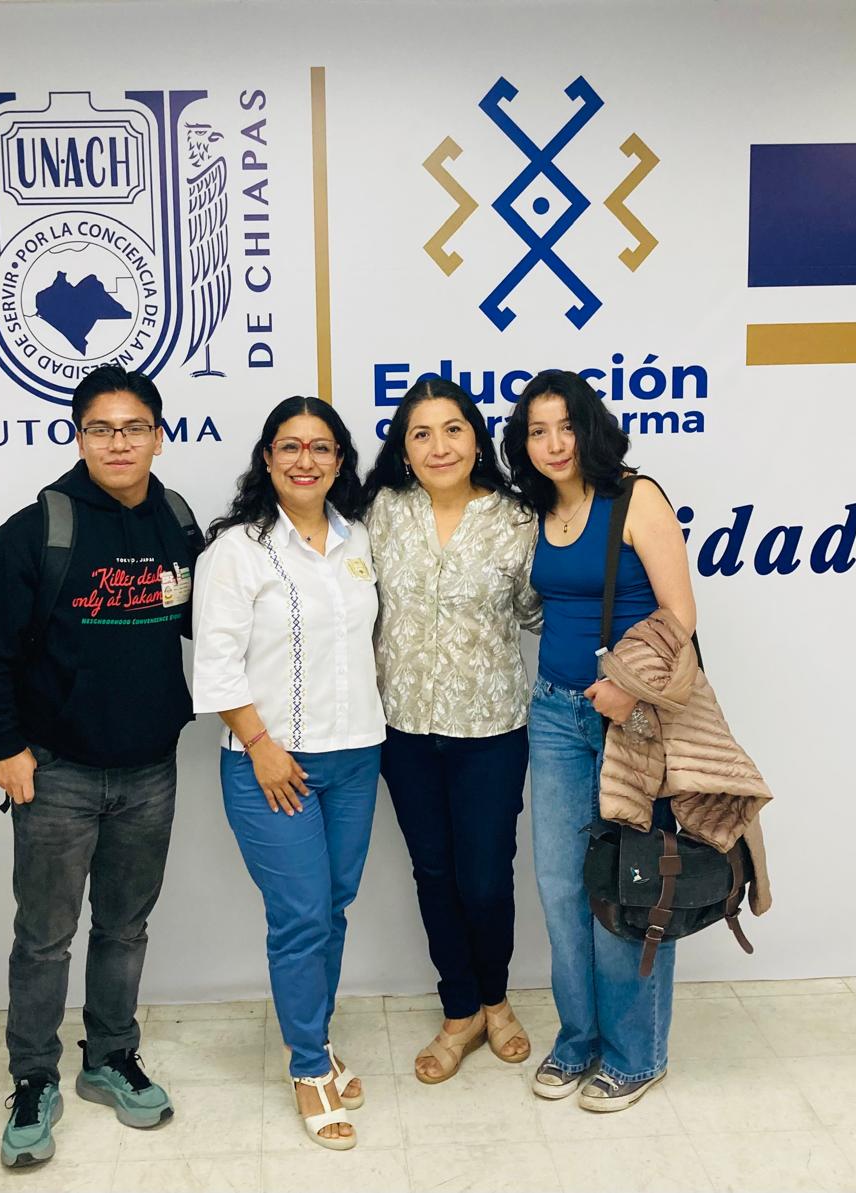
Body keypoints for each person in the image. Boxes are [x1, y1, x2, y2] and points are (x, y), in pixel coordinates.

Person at [0, 364, 202, 1167]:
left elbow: (215, 624)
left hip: (150, 768)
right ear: (78, 436)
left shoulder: (177, 522)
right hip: (54, 771)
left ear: (159, 435)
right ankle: (33, 1077)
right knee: (44, 939)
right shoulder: (38, 529)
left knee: (125, 927)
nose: (118, 442)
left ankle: (110, 1057)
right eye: (101, 428)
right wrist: (5, 746)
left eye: (134, 428)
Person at [500, 368, 697, 1113]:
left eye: (566, 426)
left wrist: (629, 687)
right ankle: (578, 1039)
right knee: (561, 887)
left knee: (628, 886)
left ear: (591, 428)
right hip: (554, 714)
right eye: (537, 430)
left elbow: (680, 614)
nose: (554, 443)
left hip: (631, 719)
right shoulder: (539, 511)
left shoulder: (636, 497)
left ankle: (635, 1054)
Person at [192, 397, 384, 1151]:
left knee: (333, 907)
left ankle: (318, 1038)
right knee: (301, 916)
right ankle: (308, 1066)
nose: (306, 460)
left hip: (357, 755)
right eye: (290, 446)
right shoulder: (236, 551)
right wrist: (261, 745)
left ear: (340, 461)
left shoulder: (359, 538)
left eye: (321, 447)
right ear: (267, 458)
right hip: (271, 763)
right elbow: (216, 666)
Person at [362, 378, 541, 1084]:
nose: (439, 446)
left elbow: (537, 611)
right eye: (421, 433)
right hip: (402, 727)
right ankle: (461, 1010)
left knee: (486, 878)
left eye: (453, 429)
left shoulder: (518, 519)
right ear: (404, 450)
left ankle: (497, 999)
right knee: (433, 873)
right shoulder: (381, 512)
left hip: (491, 727)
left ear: (477, 438)